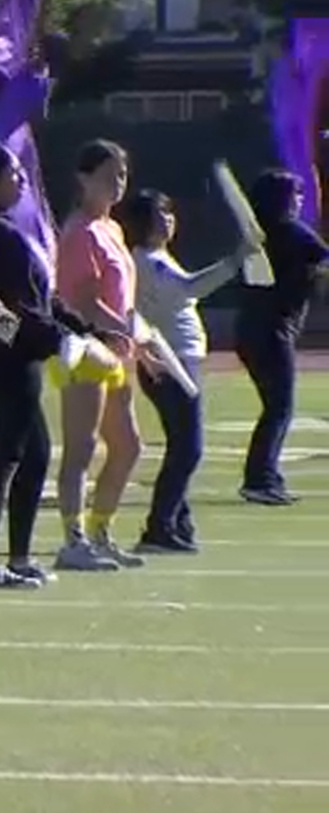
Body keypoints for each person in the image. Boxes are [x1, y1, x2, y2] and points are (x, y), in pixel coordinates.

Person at [0, 143, 97, 589]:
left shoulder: (6, 229)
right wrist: (61, 338)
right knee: (9, 454)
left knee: (31, 454)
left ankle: (16, 557)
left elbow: (40, 298)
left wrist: (78, 326)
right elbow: (17, 307)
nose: (23, 180)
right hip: (3, 356)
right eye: (13, 174)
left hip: (15, 353)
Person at [123, 190, 241, 551]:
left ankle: (177, 522)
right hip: (171, 360)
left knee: (182, 445)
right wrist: (233, 263)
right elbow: (190, 289)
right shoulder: (146, 260)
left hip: (177, 358)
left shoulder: (158, 257)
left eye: (170, 213)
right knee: (189, 448)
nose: (168, 220)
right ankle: (159, 527)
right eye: (160, 215)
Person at [53, 140, 147, 571]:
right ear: (84, 179)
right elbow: (86, 303)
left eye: (121, 177)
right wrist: (124, 329)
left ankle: (100, 530)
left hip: (117, 351)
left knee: (127, 446)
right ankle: (73, 541)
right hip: (86, 347)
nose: (117, 185)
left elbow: (122, 299)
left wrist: (138, 338)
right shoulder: (79, 233)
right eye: (108, 177)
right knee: (81, 448)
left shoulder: (112, 229)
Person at [234, 169, 329, 505]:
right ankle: (260, 479)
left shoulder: (258, 234)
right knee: (279, 407)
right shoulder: (290, 231)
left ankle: (264, 476)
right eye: (295, 195)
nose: (300, 201)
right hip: (271, 332)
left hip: (252, 330)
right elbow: (323, 256)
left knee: (275, 407)